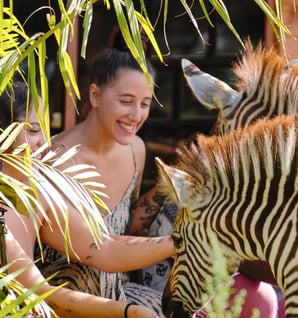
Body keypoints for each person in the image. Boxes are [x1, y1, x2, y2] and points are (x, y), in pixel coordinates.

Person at [33, 28, 177, 316]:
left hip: (119, 290)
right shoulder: (53, 161)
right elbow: (103, 250)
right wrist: (184, 240)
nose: (136, 116)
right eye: (126, 101)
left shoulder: (135, 148)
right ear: (95, 95)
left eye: (145, 104)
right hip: (62, 300)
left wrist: (171, 187)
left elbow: (129, 228)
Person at [0, 80, 174, 317]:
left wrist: (178, 242)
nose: (45, 142)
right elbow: (41, 295)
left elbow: (104, 247)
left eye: (45, 128)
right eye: (33, 130)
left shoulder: (37, 185)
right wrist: (129, 312)